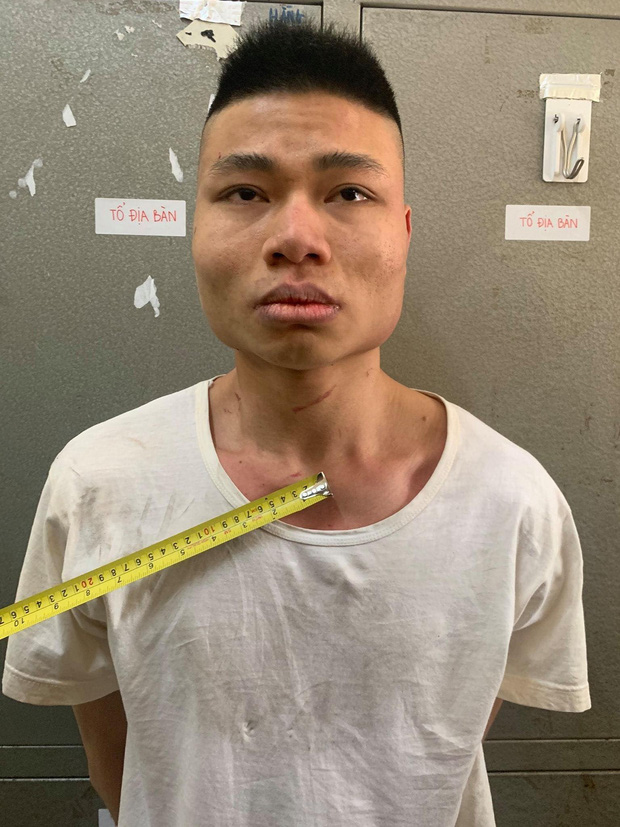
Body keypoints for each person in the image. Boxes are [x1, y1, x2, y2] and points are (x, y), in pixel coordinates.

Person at [2, 17, 591, 827]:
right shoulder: (98, 484)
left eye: (349, 192)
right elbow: (120, 765)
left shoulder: (514, 504)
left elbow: (438, 748)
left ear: (404, 232)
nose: (296, 239)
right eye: (246, 192)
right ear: (194, 225)